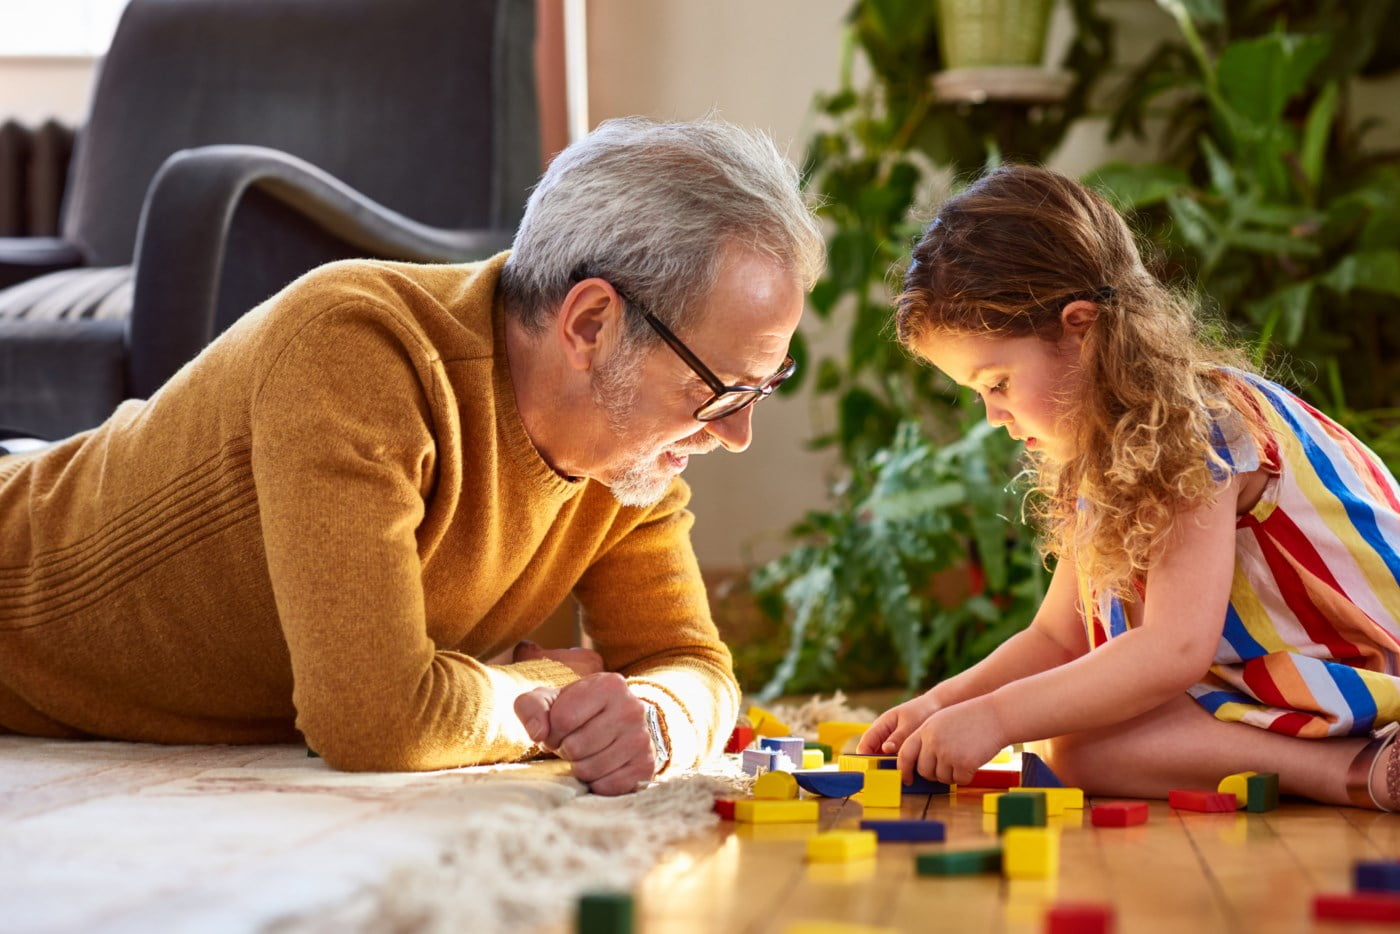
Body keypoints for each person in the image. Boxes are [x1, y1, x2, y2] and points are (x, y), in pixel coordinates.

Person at [0, 117, 824, 795]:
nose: (734, 432)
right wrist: (549, 690)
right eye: (720, 388)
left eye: (762, 388)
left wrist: (653, 716)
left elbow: (691, 664)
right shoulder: (357, 349)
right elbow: (373, 719)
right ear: (589, 325)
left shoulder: (628, 460)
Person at [859, 164, 1400, 810]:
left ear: (1080, 330)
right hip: (1286, 684)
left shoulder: (1198, 426)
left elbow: (1172, 649)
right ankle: (1350, 766)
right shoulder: (1104, 449)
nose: (993, 417)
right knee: (1081, 749)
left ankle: (1361, 769)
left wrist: (997, 719)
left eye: (997, 383)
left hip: (1367, 667)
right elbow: (1057, 639)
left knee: (1080, 740)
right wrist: (944, 702)